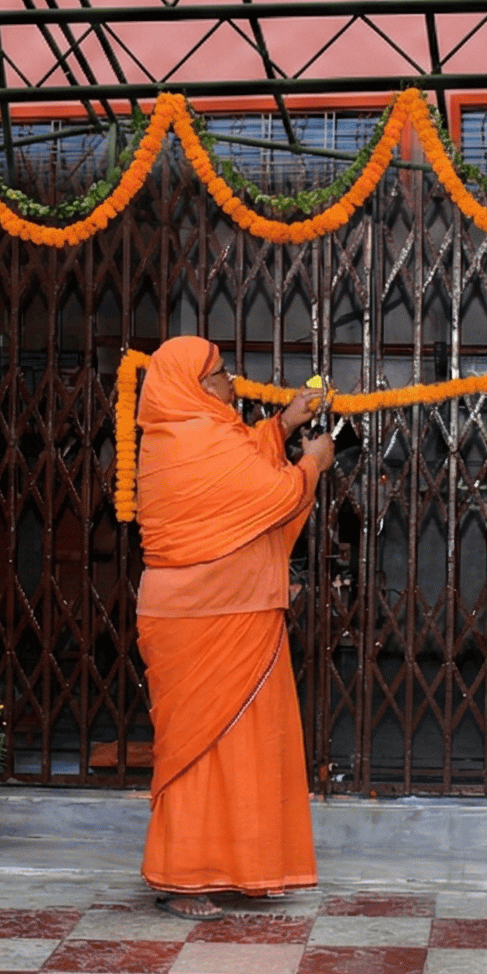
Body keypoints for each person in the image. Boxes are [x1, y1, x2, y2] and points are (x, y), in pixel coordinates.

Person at [133, 338, 335, 920]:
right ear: (193, 388)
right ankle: (184, 876)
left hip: (235, 611)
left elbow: (244, 458)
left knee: (245, 747)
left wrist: (285, 422)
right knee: (196, 751)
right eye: (220, 375)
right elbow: (271, 493)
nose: (233, 383)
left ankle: (241, 867)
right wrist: (312, 463)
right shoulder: (194, 438)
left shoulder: (185, 433)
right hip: (205, 615)